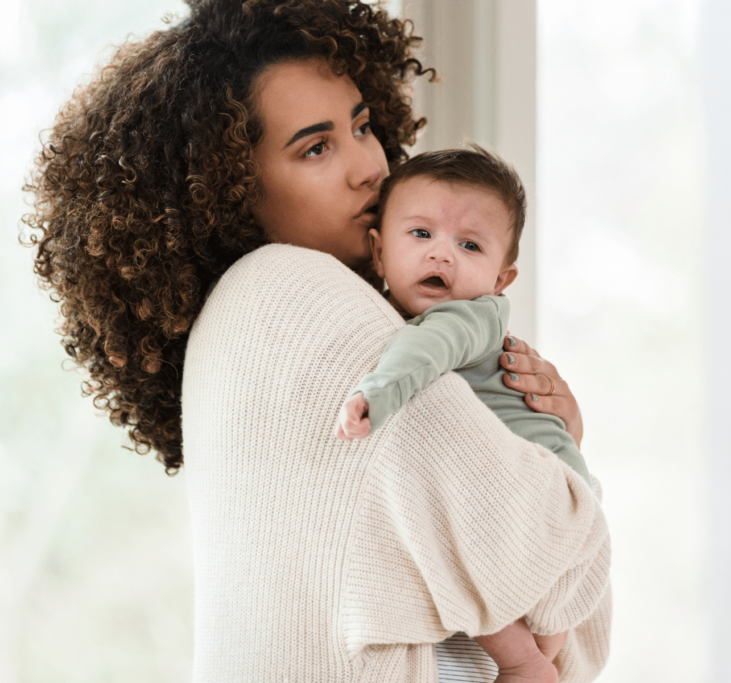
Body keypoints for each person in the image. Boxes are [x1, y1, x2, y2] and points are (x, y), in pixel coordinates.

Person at [23, 1, 611, 682]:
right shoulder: (288, 290)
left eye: (362, 125)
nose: (370, 166)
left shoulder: (274, 327)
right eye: (315, 147)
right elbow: (557, 569)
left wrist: (550, 445)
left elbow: (575, 639)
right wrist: (560, 454)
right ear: (229, 192)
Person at [336, 146, 592, 683]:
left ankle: (524, 665)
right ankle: (544, 656)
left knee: (468, 562)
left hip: (532, 493)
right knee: (546, 609)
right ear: (379, 253)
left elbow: (422, 354)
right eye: (421, 234)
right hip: (569, 492)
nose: (441, 256)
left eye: (469, 245)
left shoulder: (465, 318)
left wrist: (374, 397)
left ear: (502, 280)